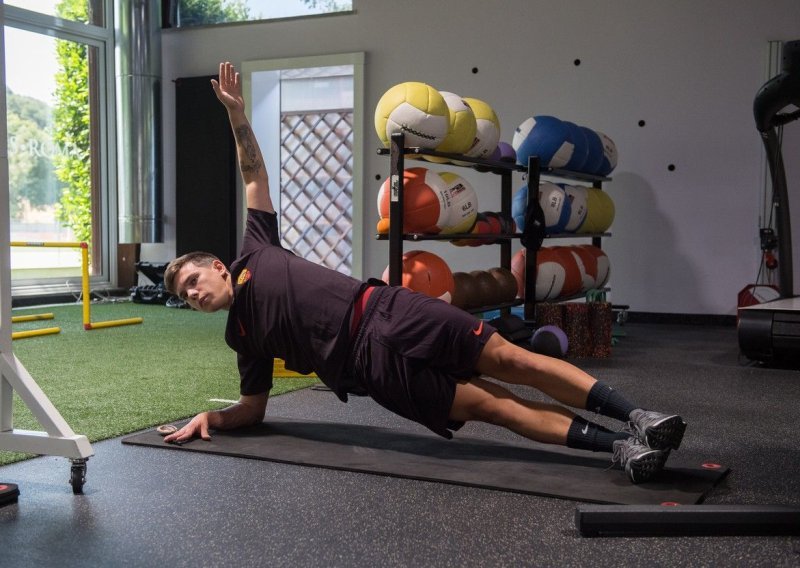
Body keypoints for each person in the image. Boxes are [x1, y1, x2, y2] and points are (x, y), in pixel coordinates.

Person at [163, 62, 687, 484]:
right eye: (186, 297)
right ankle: (616, 448)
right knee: (492, 406)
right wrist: (217, 417)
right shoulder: (241, 335)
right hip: (372, 369)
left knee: (513, 359)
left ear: (216, 267)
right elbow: (254, 407)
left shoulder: (255, 250)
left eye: (192, 282)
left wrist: (236, 114)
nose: (193, 294)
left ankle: (639, 417)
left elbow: (254, 173)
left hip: (389, 310)